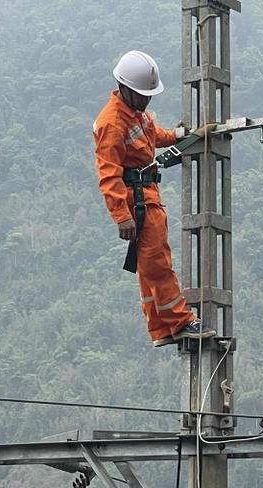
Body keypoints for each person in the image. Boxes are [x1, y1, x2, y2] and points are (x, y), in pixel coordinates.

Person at [93, 49, 215, 347]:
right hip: (138, 201)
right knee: (157, 264)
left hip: (147, 197)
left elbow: (152, 135)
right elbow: (108, 173)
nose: (147, 100)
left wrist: (179, 135)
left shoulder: (134, 114)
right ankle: (181, 321)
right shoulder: (112, 122)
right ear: (124, 88)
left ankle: (161, 327)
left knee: (149, 267)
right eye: (141, 94)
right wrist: (121, 215)